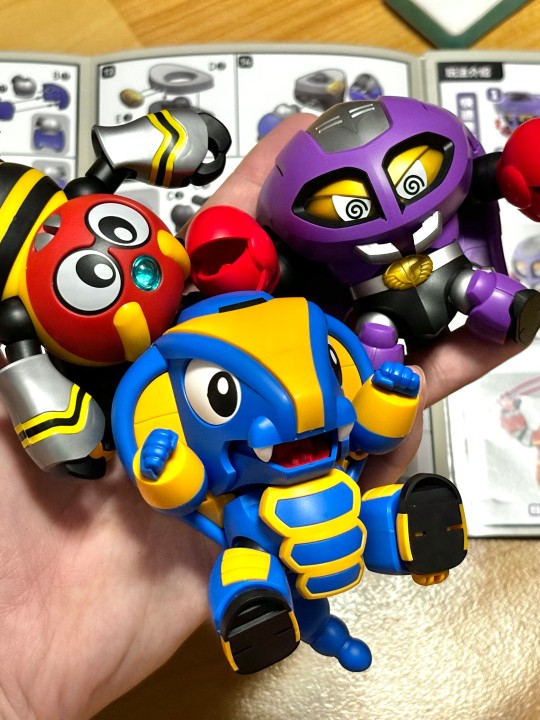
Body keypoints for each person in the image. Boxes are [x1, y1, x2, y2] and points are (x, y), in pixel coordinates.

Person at [0, 113, 530, 720]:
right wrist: (160, 465)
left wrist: (389, 393)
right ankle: (257, 605)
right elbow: (176, 493)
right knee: (250, 557)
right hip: (253, 503)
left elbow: (369, 430)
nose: (136, 275)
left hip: (329, 469)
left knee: (368, 500)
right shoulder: (137, 371)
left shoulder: (297, 335)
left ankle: (405, 529)